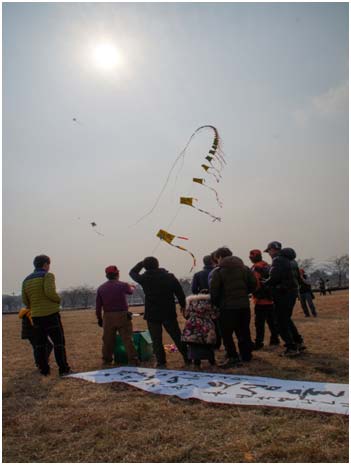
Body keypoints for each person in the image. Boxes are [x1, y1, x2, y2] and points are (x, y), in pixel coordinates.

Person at [129, 257, 190, 368]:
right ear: (158, 264)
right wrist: (183, 306)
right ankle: (187, 358)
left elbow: (132, 272)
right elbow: (180, 293)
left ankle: (161, 362)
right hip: (168, 312)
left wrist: (140, 264)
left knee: (156, 339)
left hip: (152, 314)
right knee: (177, 336)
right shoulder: (169, 277)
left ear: (145, 267)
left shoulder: (144, 278)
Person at [21, 255, 71, 376]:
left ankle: (44, 370)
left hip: (36, 316)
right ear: (45, 264)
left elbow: (25, 300)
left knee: (40, 344)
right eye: (48, 264)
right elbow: (50, 292)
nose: (49, 267)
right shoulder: (47, 276)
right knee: (58, 342)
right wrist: (59, 300)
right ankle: (63, 368)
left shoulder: (26, 280)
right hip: (51, 315)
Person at [210, 247, 257, 368]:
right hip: (243, 305)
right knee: (244, 331)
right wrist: (244, 293)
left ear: (219, 257)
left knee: (226, 334)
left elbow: (214, 291)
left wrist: (216, 304)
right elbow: (254, 284)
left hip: (226, 307)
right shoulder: (245, 269)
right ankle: (246, 355)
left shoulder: (218, 271)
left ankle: (233, 356)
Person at [263, 242, 305, 357]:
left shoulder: (278, 260)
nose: (269, 254)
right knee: (286, 319)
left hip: (282, 293)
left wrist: (264, 283)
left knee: (280, 321)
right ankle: (298, 341)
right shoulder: (292, 260)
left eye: (269, 251)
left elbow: (274, 277)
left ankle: (291, 347)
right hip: (291, 292)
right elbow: (298, 277)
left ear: (273, 249)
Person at [96, 265, 139, 366]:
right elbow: (130, 292)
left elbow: (98, 307)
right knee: (127, 339)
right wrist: (132, 286)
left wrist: (99, 318)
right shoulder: (123, 285)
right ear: (117, 274)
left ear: (106, 275)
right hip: (122, 315)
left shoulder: (101, 288)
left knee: (107, 340)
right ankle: (133, 360)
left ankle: (107, 360)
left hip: (108, 316)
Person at [249, 249, 280, 350]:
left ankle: (259, 342)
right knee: (272, 321)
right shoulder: (267, 265)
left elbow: (256, 283)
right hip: (270, 298)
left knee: (259, 323)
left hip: (260, 299)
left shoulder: (256, 268)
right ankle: (275, 339)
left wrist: (254, 293)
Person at [182, 292, 218, 368]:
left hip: (192, 325)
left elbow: (186, 314)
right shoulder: (210, 302)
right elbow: (214, 315)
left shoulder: (190, 301)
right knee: (208, 344)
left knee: (194, 344)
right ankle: (212, 361)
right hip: (206, 325)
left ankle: (196, 363)